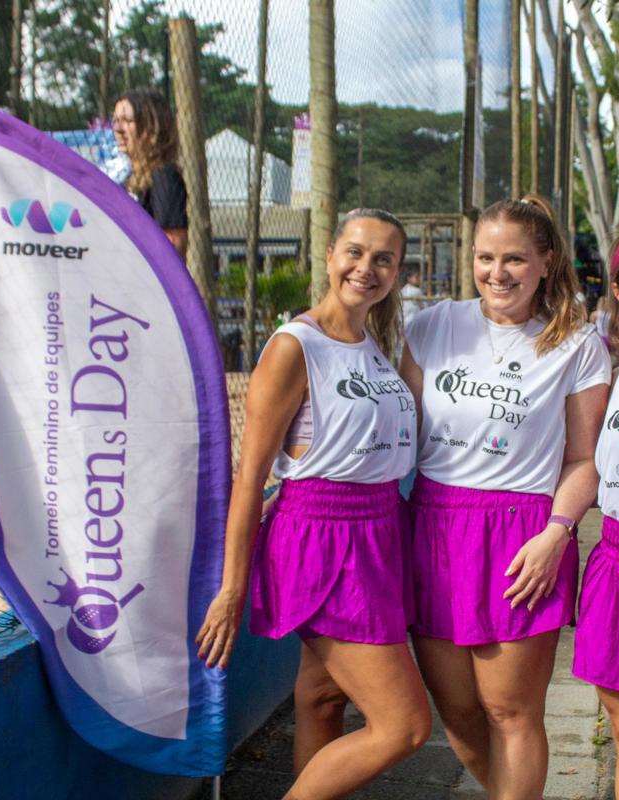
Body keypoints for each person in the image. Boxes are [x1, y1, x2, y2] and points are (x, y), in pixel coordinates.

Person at [196, 208, 431, 798]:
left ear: (398, 271)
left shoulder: (372, 342)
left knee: (323, 697)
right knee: (404, 726)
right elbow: (250, 478)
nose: (366, 268)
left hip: (378, 531)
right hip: (326, 541)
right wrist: (232, 589)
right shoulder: (294, 346)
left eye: (383, 259)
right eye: (355, 252)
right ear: (329, 256)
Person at [400, 195, 611, 799]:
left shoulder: (576, 344)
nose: (498, 273)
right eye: (485, 258)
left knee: (510, 710)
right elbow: (399, 432)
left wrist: (557, 533)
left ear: (546, 262)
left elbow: (584, 460)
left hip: (522, 535)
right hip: (434, 526)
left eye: (515, 259)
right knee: (458, 709)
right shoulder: (432, 325)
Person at [112, 87, 188, 260]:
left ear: (153, 126)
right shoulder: (130, 181)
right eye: (115, 120)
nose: (118, 129)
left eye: (128, 121)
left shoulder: (164, 177)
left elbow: (173, 244)